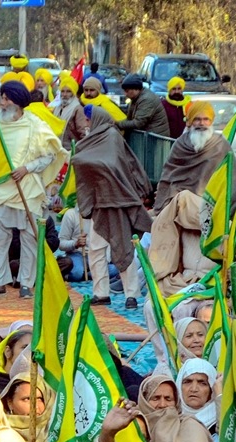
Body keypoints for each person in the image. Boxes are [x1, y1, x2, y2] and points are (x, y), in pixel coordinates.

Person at [0, 81, 65, 300]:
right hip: (2, 190)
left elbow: (49, 156)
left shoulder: (35, 125)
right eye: (2, 97)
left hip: (27, 189)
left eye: (7, 98)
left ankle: (26, 284)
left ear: (17, 102)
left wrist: (26, 169)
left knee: (29, 239)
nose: (2, 102)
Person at [68, 108, 152, 305]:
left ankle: (131, 295)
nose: (86, 124)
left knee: (123, 249)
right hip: (99, 202)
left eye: (89, 120)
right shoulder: (92, 140)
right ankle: (101, 293)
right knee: (96, 249)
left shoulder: (112, 136)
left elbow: (111, 164)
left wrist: (81, 159)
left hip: (118, 201)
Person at [151, 101, 236, 214]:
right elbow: (168, 175)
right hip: (179, 200)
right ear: (191, 121)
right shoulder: (180, 144)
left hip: (211, 202)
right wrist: (161, 202)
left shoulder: (221, 145)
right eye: (197, 119)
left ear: (211, 121)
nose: (201, 123)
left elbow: (233, 179)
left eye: (206, 119)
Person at [132, 375, 215, 442]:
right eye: (155, 398)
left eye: (168, 399)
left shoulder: (191, 425)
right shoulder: (132, 426)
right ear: (144, 401)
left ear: (176, 402)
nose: (162, 405)